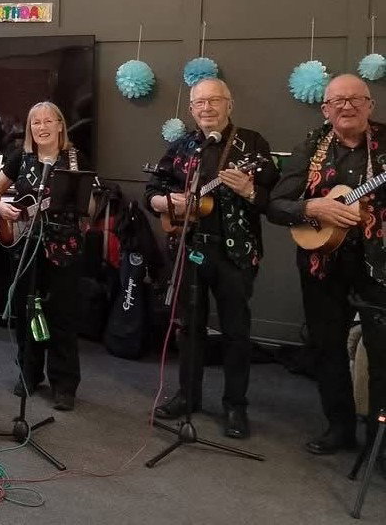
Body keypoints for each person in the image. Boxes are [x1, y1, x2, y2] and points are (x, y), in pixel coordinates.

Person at [145, 77, 278, 439]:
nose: (207, 108)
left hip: (235, 251)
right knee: (189, 328)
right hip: (189, 249)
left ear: (229, 104)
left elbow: (270, 193)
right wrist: (169, 202)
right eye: (199, 103)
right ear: (191, 109)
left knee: (236, 330)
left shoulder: (251, 144)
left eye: (214, 101)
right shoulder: (183, 144)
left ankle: (235, 405)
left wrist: (249, 188)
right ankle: (188, 396)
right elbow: (153, 191)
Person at [267, 74, 386, 469]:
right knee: (326, 344)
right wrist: (313, 208)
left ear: (370, 104)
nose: (347, 106)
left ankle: (379, 440)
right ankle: (339, 426)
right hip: (322, 262)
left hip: (378, 262)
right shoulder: (310, 147)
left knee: (382, 351)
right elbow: (277, 204)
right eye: (338, 101)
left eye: (355, 99)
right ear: (326, 109)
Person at [0, 101, 91, 411]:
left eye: (48, 121)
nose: (42, 127)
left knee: (62, 316)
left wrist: (83, 207)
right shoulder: (21, 157)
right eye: (35, 123)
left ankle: (64, 384)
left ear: (60, 125)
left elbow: (90, 207)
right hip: (27, 247)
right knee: (27, 313)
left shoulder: (75, 159)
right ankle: (28, 374)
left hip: (63, 249)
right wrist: (0, 206)